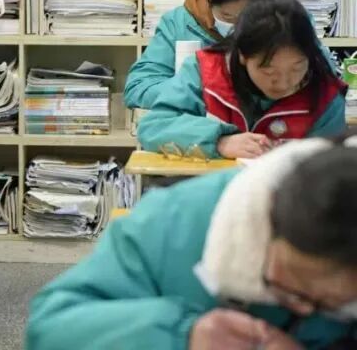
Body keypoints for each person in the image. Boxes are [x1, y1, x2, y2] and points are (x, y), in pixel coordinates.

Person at [26, 134, 357, 349]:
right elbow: (50, 330)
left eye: (334, 305)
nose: (304, 309)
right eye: (294, 288)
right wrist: (183, 334)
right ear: (265, 222)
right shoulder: (172, 222)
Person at [139, 0, 346, 159]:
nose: (284, 83)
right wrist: (219, 141)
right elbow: (153, 127)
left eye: (297, 68)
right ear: (242, 56)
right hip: (209, 190)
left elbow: (329, 166)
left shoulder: (325, 94)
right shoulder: (205, 70)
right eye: (268, 70)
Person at [125, 0, 275, 110]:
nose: (237, 26)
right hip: (195, 122)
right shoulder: (178, 23)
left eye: (249, 16)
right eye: (227, 16)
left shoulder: (286, 23)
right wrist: (196, 88)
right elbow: (138, 89)